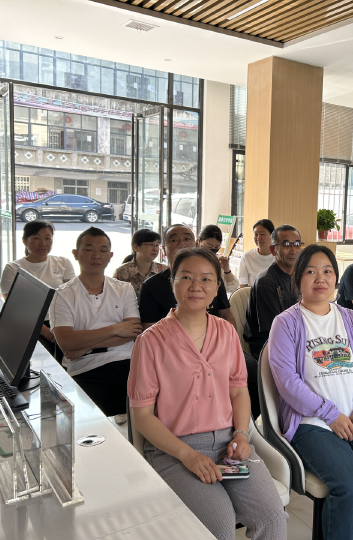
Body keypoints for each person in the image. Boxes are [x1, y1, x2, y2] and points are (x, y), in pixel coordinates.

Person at [129, 247, 286, 540]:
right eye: (186, 277)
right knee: (220, 527)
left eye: (206, 279)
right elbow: (142, 416)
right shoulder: (150, 342)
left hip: (230, 443)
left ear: (217, 287)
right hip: (175, 450)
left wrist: (242, 435)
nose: (196, 286)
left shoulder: (226, 332)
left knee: (273, 518)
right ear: (172, 282)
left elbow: (239, 392)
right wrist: (187, 455)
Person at [267, 244, 353, 540]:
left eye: (327, 271)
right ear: (298, 278)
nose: (320, 278)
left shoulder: (350, 319)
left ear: (336, 278)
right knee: (350, 487)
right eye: (311, 271)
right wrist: (330, 415)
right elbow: (287, 382)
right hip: (312, 423)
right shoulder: (286, 323)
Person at [139, 224, 261, 419]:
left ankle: (246, 422)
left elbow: (227, 314)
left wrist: (230, 346)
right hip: (173, 353)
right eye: (174, 239)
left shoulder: (211, 277)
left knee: (252, 372)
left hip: (217, 344)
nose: (182, 243)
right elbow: (149, 327)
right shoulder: (151, 287)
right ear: (164, 249)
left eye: (187, 238)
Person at [51, 227, 142, 421]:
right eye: (88, 249)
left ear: (110, 256)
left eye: (102, 250)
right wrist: (116, 328)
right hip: (85, 367)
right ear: (76, 254)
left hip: (127, 362)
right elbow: (66, 342)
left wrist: (84, 346)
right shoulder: (63, 294)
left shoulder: (124, 289)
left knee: (144, 411)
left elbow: (133, 331)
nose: (96, 255)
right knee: (93, 420)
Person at [0, 220, 75, 359]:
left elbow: (71, 299)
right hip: (30, 325)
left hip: (61, 322)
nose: (43, 243)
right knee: (43, 359)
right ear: (24, 241)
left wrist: (63, 329)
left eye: (48, 238)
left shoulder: (63, 262)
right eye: (36, 238)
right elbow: (14, 308)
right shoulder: (13, 269)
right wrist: (45, 331)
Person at [243, 224, 302, 359]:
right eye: (286, 245)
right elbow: (274, 330)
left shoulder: (299, 276)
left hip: (293, 338)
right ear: (273, 250)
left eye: (297, 244)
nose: (293, 251)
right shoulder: (265, 282)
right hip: (268, 347)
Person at [112, 229, 168, 298]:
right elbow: (113, 298)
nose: (155, 249)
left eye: (157, 245)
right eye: (151, 245)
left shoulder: (164, 270)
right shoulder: (121, 272)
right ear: (136, 247)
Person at [197, 224, 238, 294]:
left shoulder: (218, 260)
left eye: (216, 247)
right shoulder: (191, 260)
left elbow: (232, 288)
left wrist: (226, 269)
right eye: (209, 246)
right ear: (199, 242)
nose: (213, 249)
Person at [238, 219, 275, 288]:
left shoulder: (280, 257)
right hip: (252, 294)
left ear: (272, 235)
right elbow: (243, 286)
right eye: (256, 234)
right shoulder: (247, 257)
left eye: (262, 234)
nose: (258, 237)